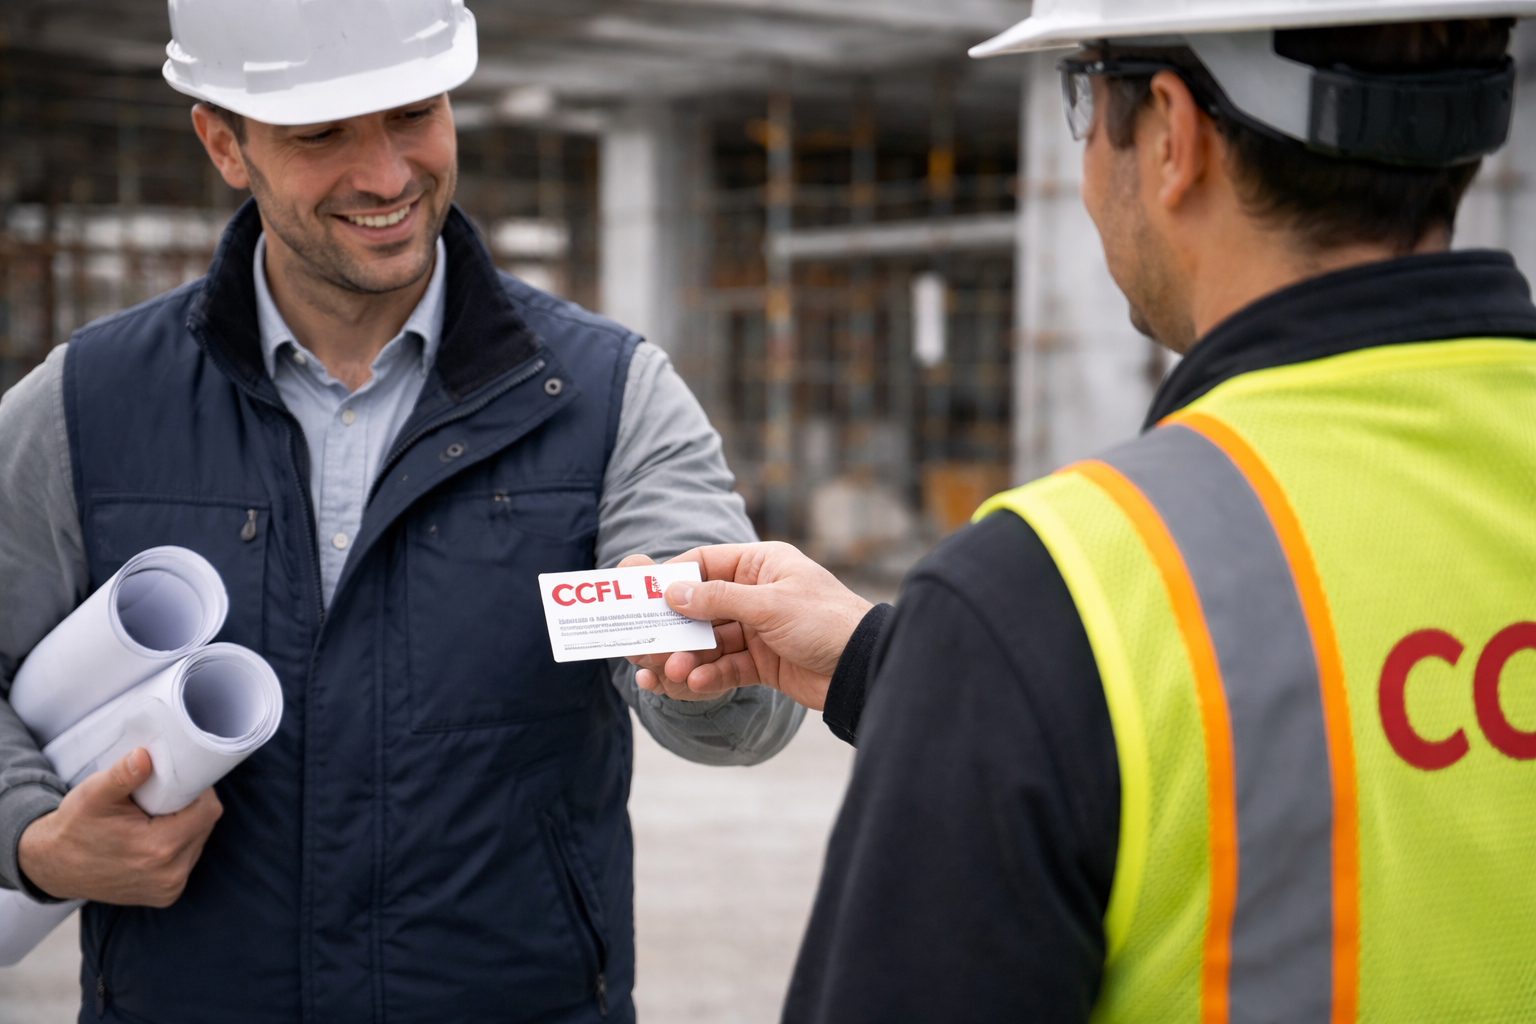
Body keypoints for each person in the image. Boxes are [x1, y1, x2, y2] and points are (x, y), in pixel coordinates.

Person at [629, 4, 1536, 1021]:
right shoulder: (1024, 625)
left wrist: (975, 663)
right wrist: (901, 665)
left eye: (1083, 96)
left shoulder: (1055, 589)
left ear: (1169, 133)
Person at [0, 1, 801, 1020]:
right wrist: (32, 834)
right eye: (320, 134)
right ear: (223, 143)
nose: (384, 175)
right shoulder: (90, 403)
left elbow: (736, 702)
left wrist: (704, 668)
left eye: (412, 113)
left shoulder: (606, 397)